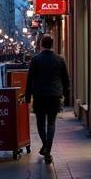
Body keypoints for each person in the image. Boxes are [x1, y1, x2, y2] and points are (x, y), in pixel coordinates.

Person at [25, 34, 70, 165]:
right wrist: (65, 95)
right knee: (51, 123)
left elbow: (30, 80)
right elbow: (65, 79)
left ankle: (45, 146)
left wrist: (28, 96)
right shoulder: (60, 59)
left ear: (41, 45)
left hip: (39, 95)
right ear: (52, 45)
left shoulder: (35, 59)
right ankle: (48, 151)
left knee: (40, 123)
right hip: (54, 95)